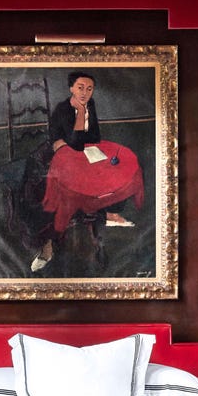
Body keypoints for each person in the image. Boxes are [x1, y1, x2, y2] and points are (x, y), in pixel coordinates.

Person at [31, 70, 134, 273]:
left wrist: (86, 143)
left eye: (89, 89)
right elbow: (71, 141)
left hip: (81, 149)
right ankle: (49, 244)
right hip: (57, 153)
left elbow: (95, 135)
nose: (85, 93)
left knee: (114, 169)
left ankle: (105, 212)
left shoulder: (91, 105)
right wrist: (79, 116)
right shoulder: (63, 109)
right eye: (80, 88)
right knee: (68, 183)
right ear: (71, 88)